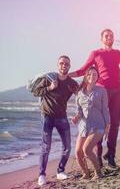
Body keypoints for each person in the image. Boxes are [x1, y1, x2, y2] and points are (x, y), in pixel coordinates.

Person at [69, 29, 120, 168]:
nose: (109, 37)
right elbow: (83, 70)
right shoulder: (96, 53)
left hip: (117, 90)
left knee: (115, 124)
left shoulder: (118, 54)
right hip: (101, 91)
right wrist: (67, 75)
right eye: (106, 36)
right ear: (101, 39)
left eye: (111, 36)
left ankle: (111, 155)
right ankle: (98, 156)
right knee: (99, 123)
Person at [32, 55, 78, 186]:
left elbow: (81, 96)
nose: (64, 65)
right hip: (47, 116)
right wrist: (50, 88)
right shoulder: (49, 78)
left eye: (67, 64)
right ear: (58, 65)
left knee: (67, 146)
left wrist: (79, 114)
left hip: (62, 117)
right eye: (62, 63)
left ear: (69, 66)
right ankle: (41, 174)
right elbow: (36, 92)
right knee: (46, 147)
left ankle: (60, 171)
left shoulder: (71, 83)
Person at [72, 67, 110, 180]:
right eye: (89, 74)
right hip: (84, 126)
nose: (92, 76)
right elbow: (79, 110)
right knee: (78, 152)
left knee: (87, 149)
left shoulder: (102, 91)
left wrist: (108, 125)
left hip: (98, 125)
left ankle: (98, 173)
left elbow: (105, 109)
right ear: (86, 76)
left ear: (97, 77)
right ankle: (86, 173)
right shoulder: (79, 92)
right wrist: (76, 117)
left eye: (95, 74)